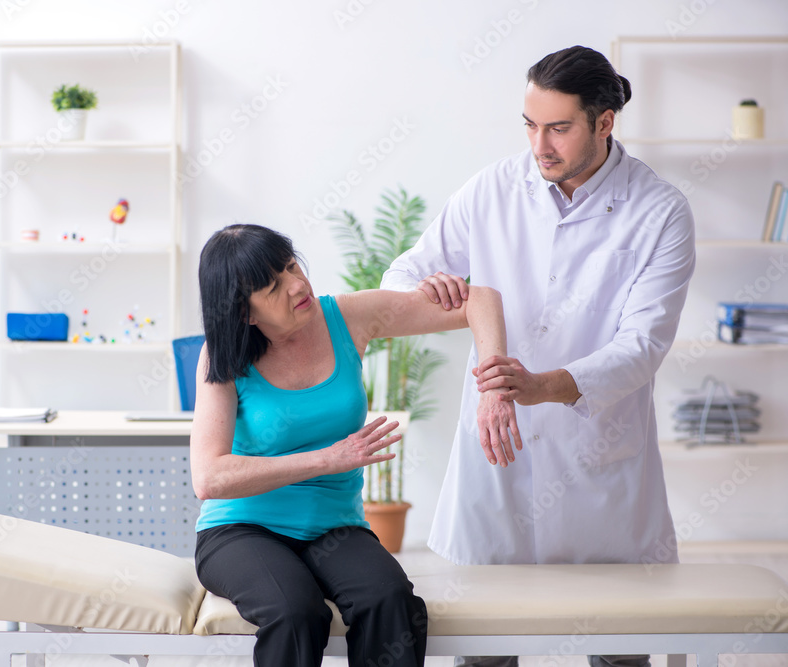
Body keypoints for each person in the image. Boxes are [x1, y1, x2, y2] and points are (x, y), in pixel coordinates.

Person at [381, 46, 696, 667]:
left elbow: (643, 345)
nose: (539, 146)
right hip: (499, 455)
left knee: (619, 649)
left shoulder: (659, 211)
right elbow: (400, 277)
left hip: (599, 459)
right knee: (486, 649)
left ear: (604, 122)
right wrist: (431, 291)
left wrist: (545, 385)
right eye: (530, 125)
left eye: (558, 128)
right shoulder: (492, 190)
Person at [191, 223, 517, 667]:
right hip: (241, 530)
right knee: (295, 611)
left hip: (334, 526)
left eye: (291, 266)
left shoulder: (346, 317)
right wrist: (328, 459)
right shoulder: (222, 356)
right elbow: (209, 478)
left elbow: (482, 300)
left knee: (392, 601)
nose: (297, 285)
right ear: (245, 313)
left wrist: (494, 390)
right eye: (273, 286)